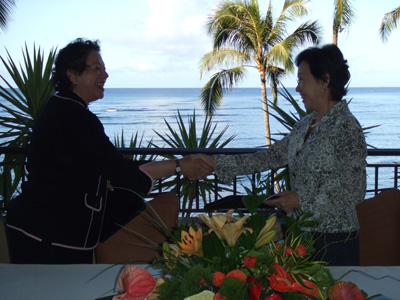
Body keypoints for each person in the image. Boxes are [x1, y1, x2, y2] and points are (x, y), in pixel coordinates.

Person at [5, 38, 214, 264]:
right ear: (73, 75)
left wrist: (180, 165)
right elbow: (119, 171)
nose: (105, 75)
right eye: (97, 69)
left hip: (43, 230)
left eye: (104, 69)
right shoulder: (75, 117)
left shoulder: (63, 108)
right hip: (48, 236)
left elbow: (106, 165)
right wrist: (180, 166)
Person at [206, 44, 367, 266]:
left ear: (325, 81)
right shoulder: (305, 125)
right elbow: (269, 157)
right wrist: (215, 163)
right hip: (301, 233)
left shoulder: (346, 127)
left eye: (302, 79)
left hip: (334, 239)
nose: (298, 88)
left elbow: (354, 189)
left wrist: (302, 200)